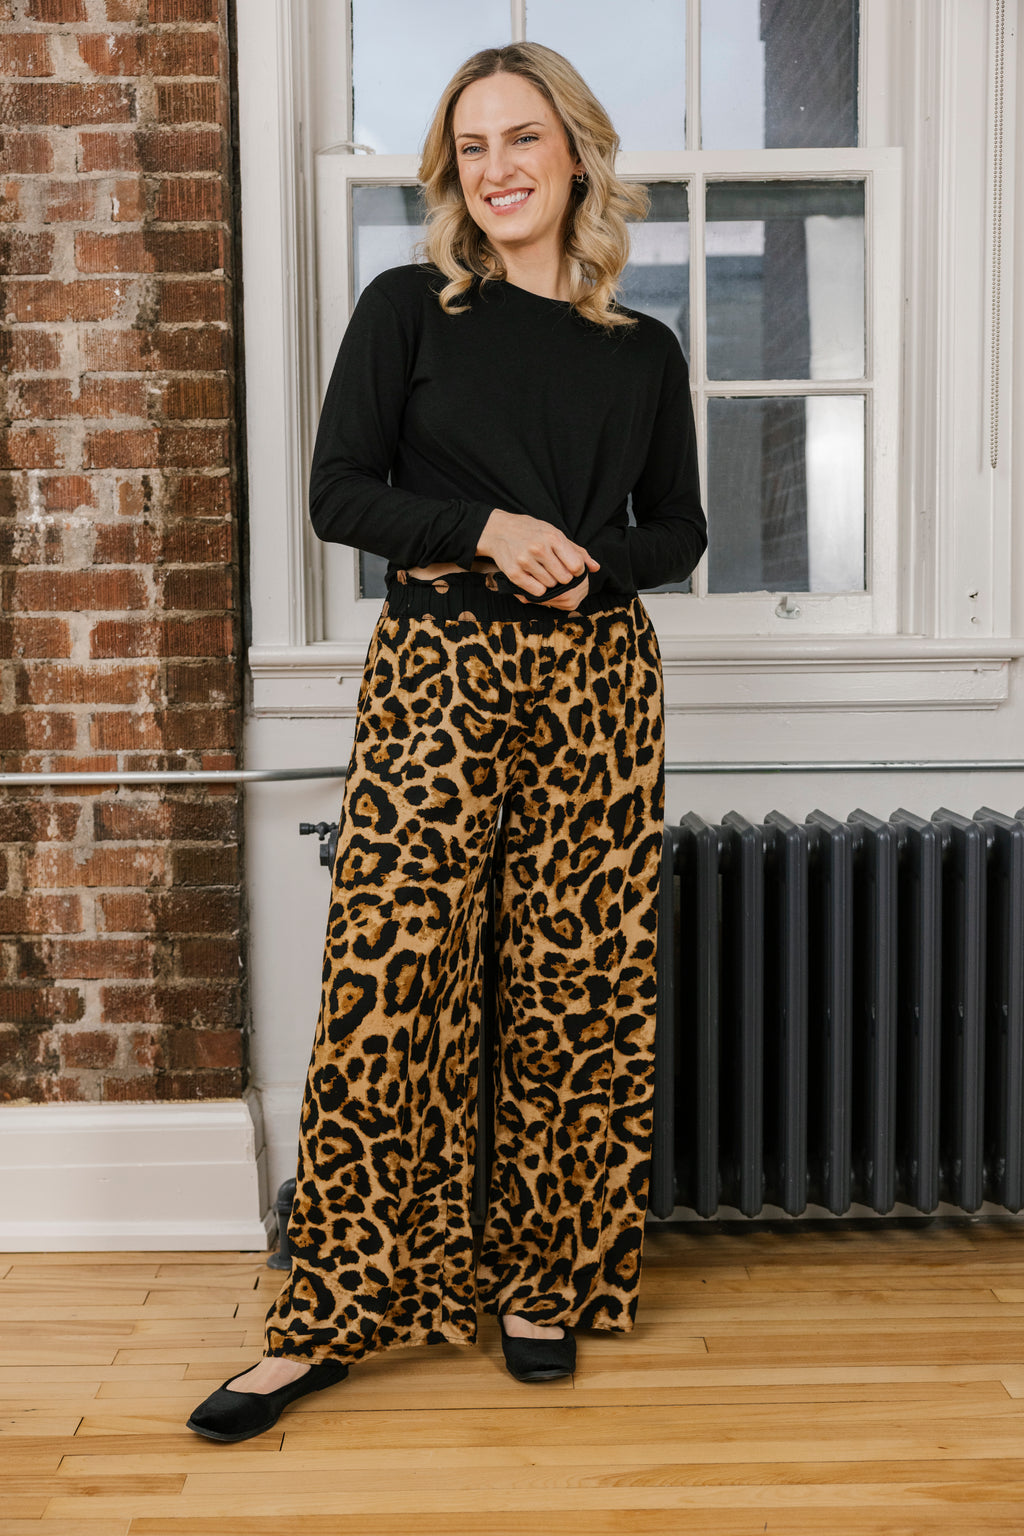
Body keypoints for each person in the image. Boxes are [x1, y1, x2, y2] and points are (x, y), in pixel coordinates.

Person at [187, 40, 706, 1444]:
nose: (497, 168)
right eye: (472, 147)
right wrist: (486, 528)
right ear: (451, 173)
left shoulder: (642, 351)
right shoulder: (410, 309)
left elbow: (680, 529)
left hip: (597, 680)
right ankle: (329, 1315)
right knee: (394, 979)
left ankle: (546, 1286)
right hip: (439, 673)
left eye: (522, 138)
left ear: (576, 153)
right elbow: (338, 493)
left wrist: (591, 567)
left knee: (573, 986)